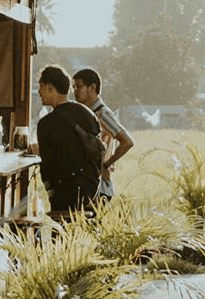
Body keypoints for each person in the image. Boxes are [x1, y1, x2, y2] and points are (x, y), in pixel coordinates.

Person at [35, 65, 102, 218]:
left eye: (41, 87)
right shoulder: (88, 113)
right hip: (90, 189)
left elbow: (47, 165)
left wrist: (51, 193)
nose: (39, 92)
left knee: (59, 233)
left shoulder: (46, 124)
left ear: (50, 87)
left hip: (64, 194)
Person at [72, 67, 134, 202]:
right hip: (87, 184)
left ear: (92, 88)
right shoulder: (87, 113)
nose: (75, 91)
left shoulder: (102, 114)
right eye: (73, 87)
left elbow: (127, 142)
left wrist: (105, 165)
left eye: (78, 86)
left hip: (99, 188)